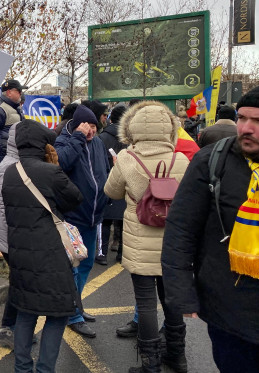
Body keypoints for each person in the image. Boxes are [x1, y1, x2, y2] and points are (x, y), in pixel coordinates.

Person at [162, 83, 259, 373]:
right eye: (242, 118)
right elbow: (180, 230)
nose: (246, 128)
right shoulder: (212, 161)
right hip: (230, 313)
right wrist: (181, 292)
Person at [104, 100, 190, 373]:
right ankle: (177, 356)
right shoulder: (181, 159)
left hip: (140, 240)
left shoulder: (128, 158)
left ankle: (150, 363)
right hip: (173, 242)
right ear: (170, 129)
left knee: (146, 302)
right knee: (171, 299)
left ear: (133, 128)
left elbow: (111, 192)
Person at [2, 120, 83, 372]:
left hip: (20, 254)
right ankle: (45, 369)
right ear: (42, 143)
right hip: (50, 253)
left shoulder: (10, 172)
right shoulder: (50, 171)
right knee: (58, 314)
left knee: (26, 312)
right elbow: (75, 198)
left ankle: (22, 368)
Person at [54, 104, 111, 338]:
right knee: (73, 267)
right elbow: (62, 163)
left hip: (94, 214)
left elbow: (103, 170)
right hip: (73, 215)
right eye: (89, 126)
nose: (92, 131)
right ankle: (73, 313)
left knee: (86, 264)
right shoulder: (64, 140)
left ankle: (76, 305)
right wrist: (78, 138)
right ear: (79, 125)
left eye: (95, 126)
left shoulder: (97, 142)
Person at [0, 122, 20, 349]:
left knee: (20, 281)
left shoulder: (16, 162)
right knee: (20, 282)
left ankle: (13, 326)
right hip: (11, 233)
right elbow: (5, 203)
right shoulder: (11, 166)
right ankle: (8, 328)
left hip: (12, 232)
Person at [97, 104, 128, 265]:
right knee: (123, 221)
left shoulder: (102, 137)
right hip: (125, 181)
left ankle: (101, 253)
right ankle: (122, 254)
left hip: (107, 180)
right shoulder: (129, 138)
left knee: (105, 220)